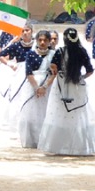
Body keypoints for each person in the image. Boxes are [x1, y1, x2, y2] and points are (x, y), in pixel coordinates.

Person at [39, 28, 95, 156]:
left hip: (61, 84)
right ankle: (77, 146)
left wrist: (55, 70)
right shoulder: (82, 51)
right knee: (76, 115)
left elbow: (53, 67)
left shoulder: (60, 51)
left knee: (59, 114)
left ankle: (59, 146)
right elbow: (90, 70)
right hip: (77, 85)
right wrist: (81, 77)